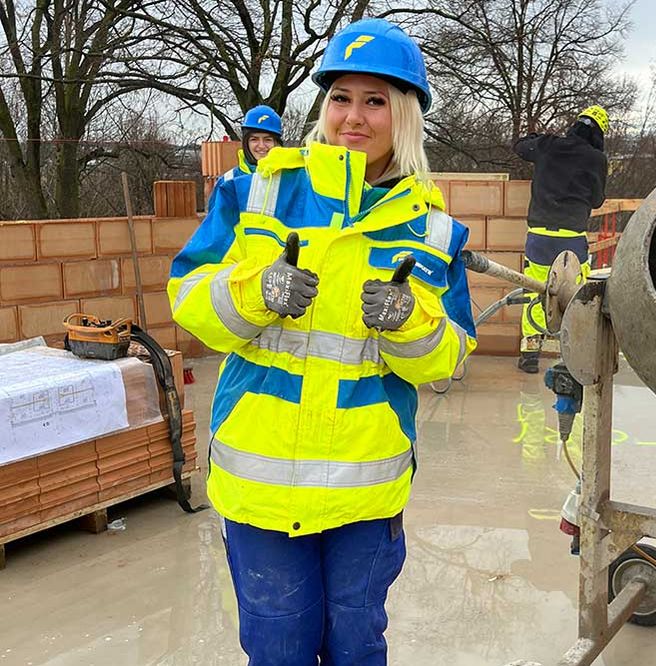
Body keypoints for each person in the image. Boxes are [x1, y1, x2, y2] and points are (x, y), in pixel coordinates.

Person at [168, 18, 477, 665]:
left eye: (376, 101)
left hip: (364, 489)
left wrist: (409, 323)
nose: (354, 117)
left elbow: (447, 355)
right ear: (322, 105)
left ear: (405, 115)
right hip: (262, 481)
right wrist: (256, 293)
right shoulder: (257, 190)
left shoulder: (432, 229)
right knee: (279, 646)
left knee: (356, 647)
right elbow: (190, 299)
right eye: (341, 97)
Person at [512, 106, 609, 373]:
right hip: (572, 239)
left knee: (535, 291)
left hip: (539, 237)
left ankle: (530, 355)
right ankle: (572, 354)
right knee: (576, 295)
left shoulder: (548, 146)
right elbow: (598, 199)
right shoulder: (596, 159)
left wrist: (536, 137)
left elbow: (520, 147)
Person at [208, 105, 284, 209]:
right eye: (254, 139)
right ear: (246, 143)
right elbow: (215, 223)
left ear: (277, 143)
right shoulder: (228, 182)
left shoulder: (290, 179)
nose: (261, 146)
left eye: (268, 139)